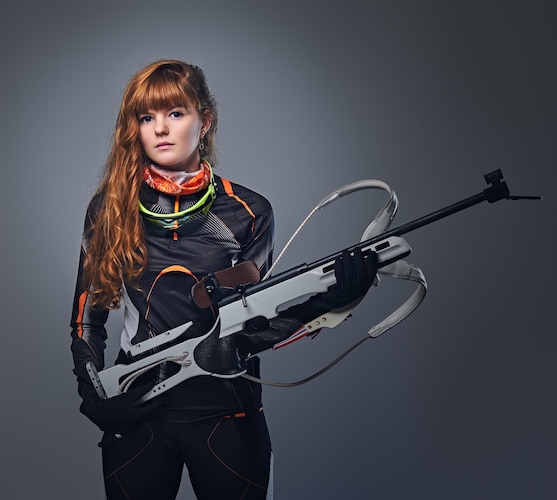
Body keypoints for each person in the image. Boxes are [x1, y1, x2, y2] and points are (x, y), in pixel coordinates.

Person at [69, 59, 377, 500]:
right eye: (147, 117)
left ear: (205, 121)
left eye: (176, 113)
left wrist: (334, 299)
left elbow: (257, 325)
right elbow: (86, 319)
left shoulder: (248, 211)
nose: (161, 128)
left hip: (228, 415)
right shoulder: (109, 208)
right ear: (134, 128)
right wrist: (93, 390)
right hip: (139, 418)